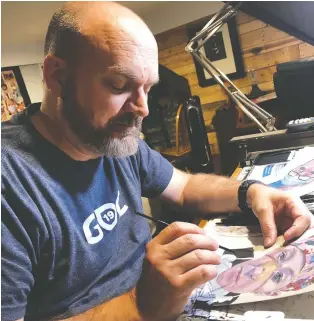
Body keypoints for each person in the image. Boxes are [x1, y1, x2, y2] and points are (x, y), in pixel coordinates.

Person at [1, 2, 313, 321]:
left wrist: (251, 193)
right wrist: (144, 302)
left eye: (147, 88)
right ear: (57, 76)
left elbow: (185, 186)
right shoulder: (9, 183)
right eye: (120, 85)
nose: (143, 108)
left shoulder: (115, 139)